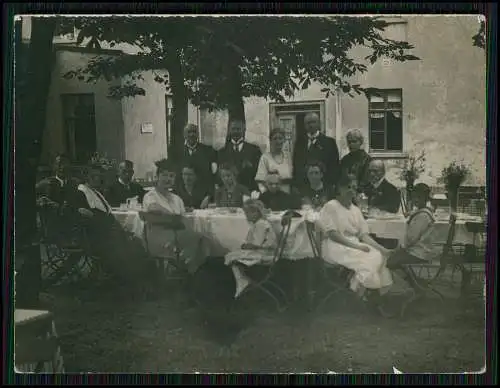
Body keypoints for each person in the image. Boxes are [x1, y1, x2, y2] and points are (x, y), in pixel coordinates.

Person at [317, 174, 393, 303]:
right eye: (347, 187)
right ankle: (358, 291)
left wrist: (383, 249)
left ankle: (358, 286)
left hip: (352, 244)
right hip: (334, 246)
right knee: (369, 258)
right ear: (340, 188)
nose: (351, 191)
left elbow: (364, 235)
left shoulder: (356, 210)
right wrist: (358, 247)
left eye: (354, 187)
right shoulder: (331, 206)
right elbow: (333, 235)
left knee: (378, 255)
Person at [142, 159, 209, 273]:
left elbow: (183, 219)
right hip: (158, 237)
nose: (168, 179)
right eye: (164, 175)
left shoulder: (177, 199)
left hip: (177, 236)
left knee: (204, 241)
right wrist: (173, 217)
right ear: (157, 177)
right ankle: (184, 269)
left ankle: (188, 271)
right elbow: (153, 209)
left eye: (172, 176)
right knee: (195, 242)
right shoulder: (150, 196)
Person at [386, 183, 441, 287]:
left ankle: (415, 284)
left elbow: (411, 239)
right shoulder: (425, 212)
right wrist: (411, 214)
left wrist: (400, 248)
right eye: (414, 197)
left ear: (426, 198)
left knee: (390, 261)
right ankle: (415, 281)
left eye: (419, 197)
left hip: (419, 252)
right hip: (422, 249)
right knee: (395, 258)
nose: (416, 200)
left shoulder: (422, 216)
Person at [224, 199, 278, 298]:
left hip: (264, 254)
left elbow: (256, 244)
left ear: (256, 213)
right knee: (233, 256)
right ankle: (242, 279)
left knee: (231, 256)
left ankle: (242, 281)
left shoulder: (260, 224)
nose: (246, 216)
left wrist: (246, 246)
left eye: (248, 213)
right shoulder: (259, 223)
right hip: (263, 251)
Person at [292, 112, 340, 190]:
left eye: (314, 122)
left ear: (319, 124)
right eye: (308, 123)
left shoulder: (329, 142)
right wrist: (296, 185)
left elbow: (334, 166)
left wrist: (332, 185)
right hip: (304, 187)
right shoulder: (299, 143)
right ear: (304, 125)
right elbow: (296, 165)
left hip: (324, 187)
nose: (311, 125)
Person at [169, 123, 218, 193]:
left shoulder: (208, 151)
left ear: (198, 134)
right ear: (184, 135)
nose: (192, 134)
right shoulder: (176, 153)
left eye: (194, 132)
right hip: (183, 193)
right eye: (189, 132)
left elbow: (213, 173)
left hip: (204, 192)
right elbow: (175, 175)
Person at [217, 119, 262, 192]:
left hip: (249, 191)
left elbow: (259, 173)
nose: (235, 132)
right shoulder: (222, 152)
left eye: (238, 129)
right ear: (229, 130)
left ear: (244, 130)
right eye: (233, 129)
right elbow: (219, 175)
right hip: (229, 192)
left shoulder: (254, 150)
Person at [255, 127, 293, 193]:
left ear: (284, 140)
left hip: (287, 194)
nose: (278, 141)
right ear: (270, 140)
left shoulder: (288, 156)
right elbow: (260, 180)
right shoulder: (265, 157)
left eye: (280, 138)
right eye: (275, 139)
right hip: (271, 195)